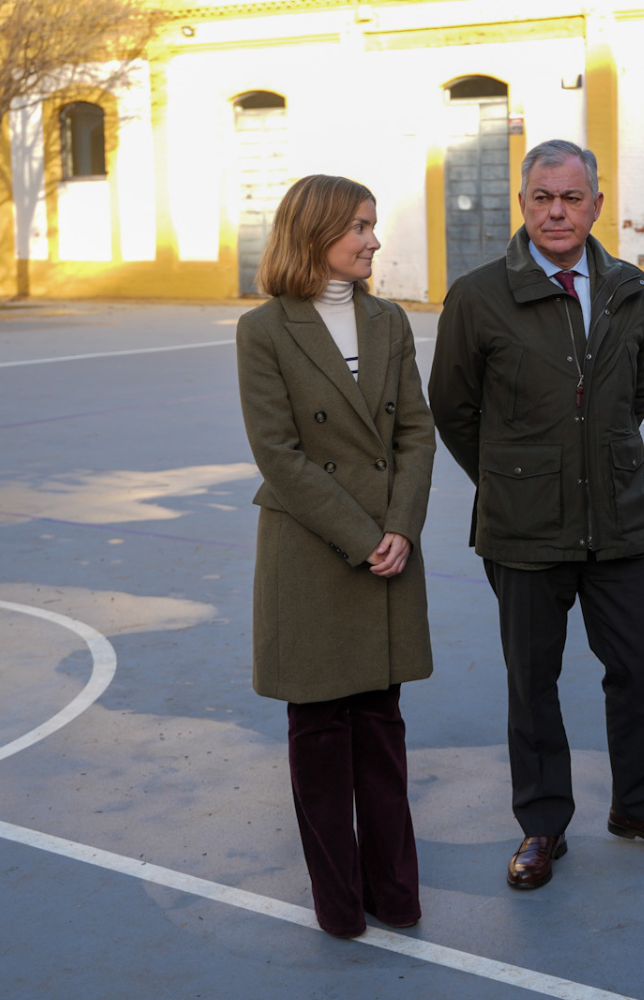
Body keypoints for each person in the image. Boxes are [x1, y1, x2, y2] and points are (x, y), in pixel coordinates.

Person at [429, 139, 644, 891]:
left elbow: (635, 393)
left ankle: (637, 805)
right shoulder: (479, 295)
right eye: (543, 197)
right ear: (524, 203)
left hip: (616, 517)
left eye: (572, 197)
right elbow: (453, 410)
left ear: (596, 204)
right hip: (523, 529)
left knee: (639, 658)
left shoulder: (626, 286)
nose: (557, 211)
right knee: (533, 679)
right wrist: (518, 478)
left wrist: (598, 460)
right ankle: (543, 825)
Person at [235, 174, 437, 938]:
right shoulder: (264, 330)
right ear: (316, 231)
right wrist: (364, 536)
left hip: (389, 541)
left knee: (382, 726)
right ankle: (340, 905)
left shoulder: (389, 321)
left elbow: (416, 431)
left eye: (373, 225)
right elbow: (279, 455)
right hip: (315, 551)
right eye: (359, 226)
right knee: (320, 734)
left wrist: (403, 527)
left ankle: (396, 890)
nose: (373, 240)